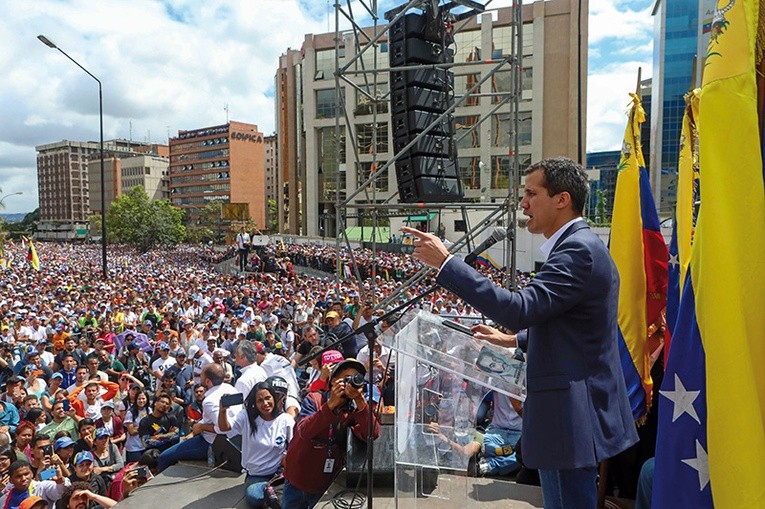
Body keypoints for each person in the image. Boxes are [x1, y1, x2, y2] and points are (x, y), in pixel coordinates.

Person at [401, 157, 638, 508]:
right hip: (561, 411)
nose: (523, 203)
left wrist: (448, 263)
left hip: (571, 413)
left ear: (562, 199)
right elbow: (570, 323)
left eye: (531, 193)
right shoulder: (574, 246)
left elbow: (520, 308)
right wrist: (513, 339)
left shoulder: (578, 251)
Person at [282, 359, 380, 508]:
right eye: (346, 378)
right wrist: (330, 405)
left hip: (325, 484)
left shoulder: (354, 410)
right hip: (297, 480)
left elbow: (373, 434)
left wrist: (360, 401)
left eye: (355, 379)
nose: (350, 384)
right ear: (333, 380)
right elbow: (303, 431)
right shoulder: (315, 399)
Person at [218, 381, 294, 508]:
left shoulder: (285, 419)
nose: (265, 403)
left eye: (268, 398)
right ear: (255, 403)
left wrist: (286, 459)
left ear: (273, 398)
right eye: (259, 400)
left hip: (279, 473)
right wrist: (222, 411)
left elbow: (295, 445)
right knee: (254, 497)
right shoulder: (246, 417)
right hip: (257, 476)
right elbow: (224, 427)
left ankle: (275, 494)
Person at [157, 363, 238, 472]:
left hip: (211, 443)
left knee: (164, 457)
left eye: (202, 376)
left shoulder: (210, 400)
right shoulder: (230, 388)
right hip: (234, 440)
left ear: (208, 381)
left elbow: (222, 428)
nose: (199, 377)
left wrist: (201, 427)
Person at [0, 461, 69, 509]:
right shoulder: (4, 499)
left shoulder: (43, 487)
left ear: (32, 474)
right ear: (11, 480)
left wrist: (60, 481)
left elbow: (60, 493)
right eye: (18, 476)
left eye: (26, 474)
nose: (23, 478)